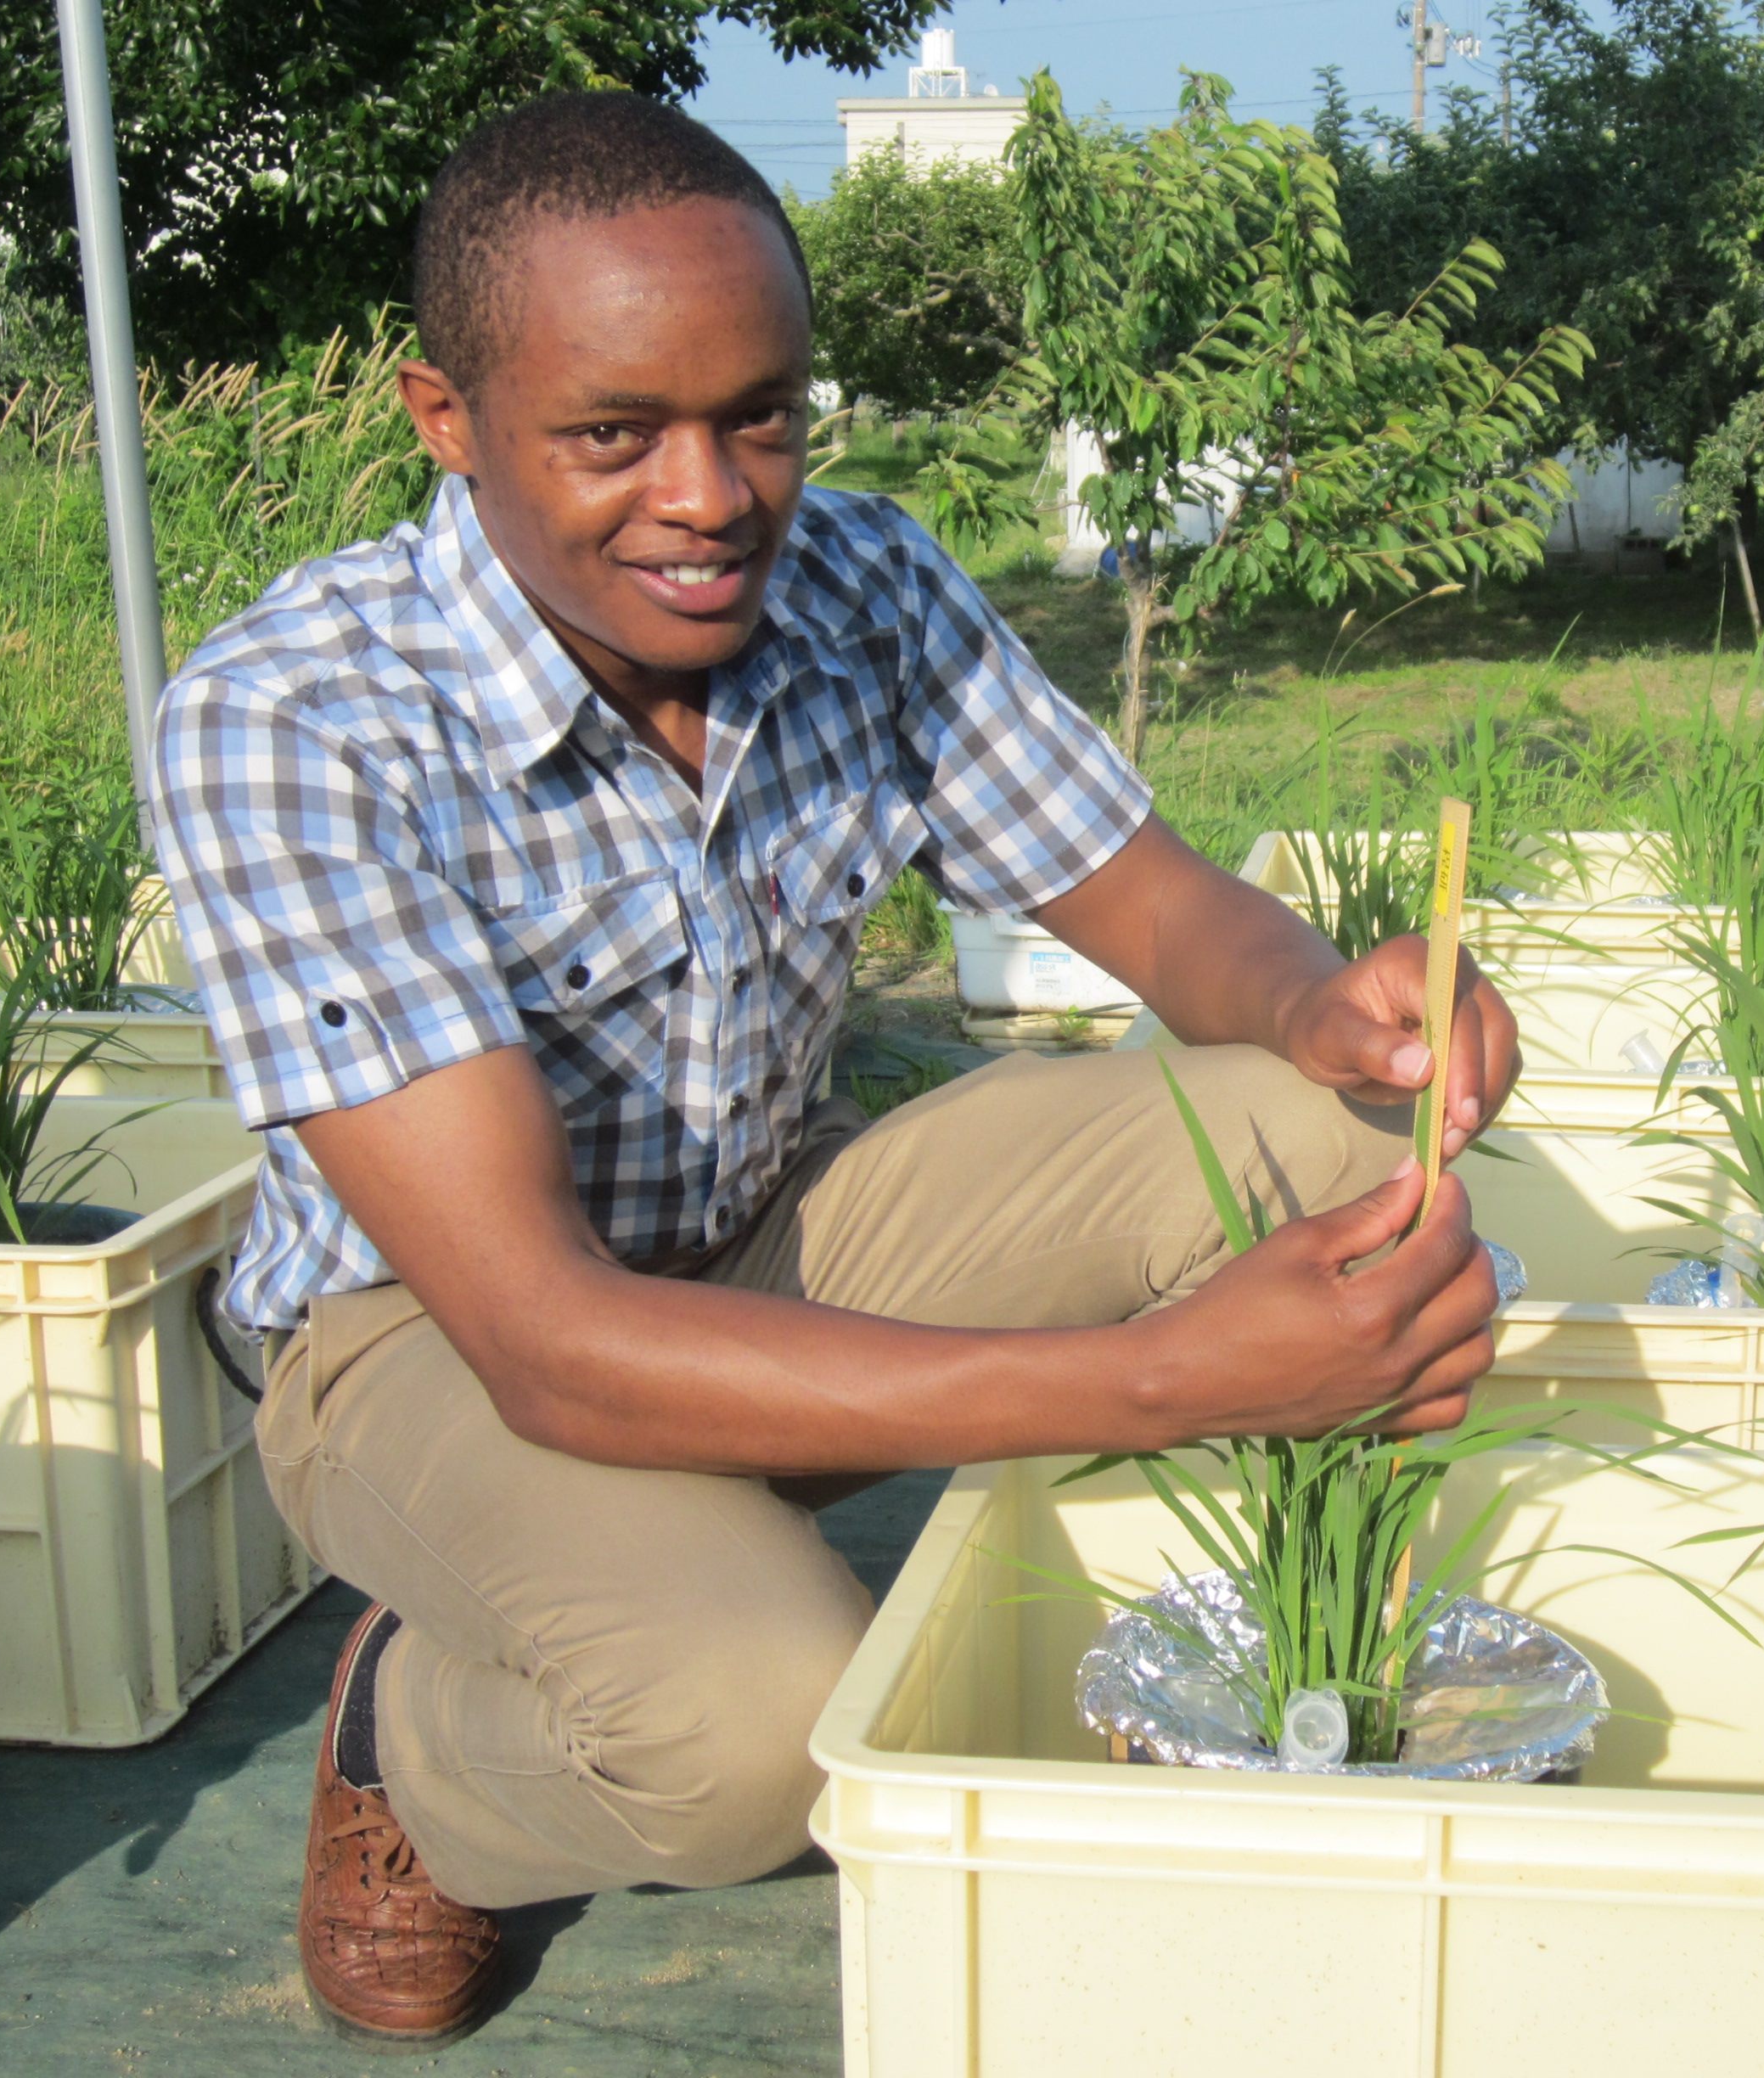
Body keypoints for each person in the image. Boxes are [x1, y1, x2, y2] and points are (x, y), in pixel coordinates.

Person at [151, 92, 1517, 2050]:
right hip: (434, 1348)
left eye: (763, 414)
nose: (712, 496)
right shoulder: (298, 723)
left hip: (760, 1243)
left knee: (1330, 1130)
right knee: (763, 1740)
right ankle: (416, 1752)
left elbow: (1160, 917)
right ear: (445, 419)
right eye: (613, 433)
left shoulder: (858, 590)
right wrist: (1153, 1380)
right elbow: (542, 1336)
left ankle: (807, 1568)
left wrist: (1339, 1010)